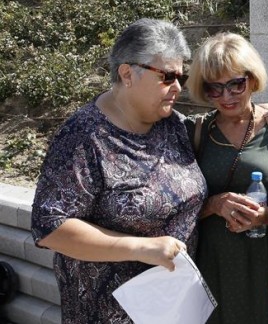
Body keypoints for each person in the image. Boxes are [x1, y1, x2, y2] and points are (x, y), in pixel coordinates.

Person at [30, 18, 207, 323]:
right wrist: (141, 248)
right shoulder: (84, 135)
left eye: (181, 75)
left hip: (173, 308)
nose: (178, 87)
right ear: (127, 74)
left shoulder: (171, 123)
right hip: (109, 313)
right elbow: (50, 226)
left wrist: (256, 113)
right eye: (167, 77)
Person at [185, 32, 268, 324]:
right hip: (213, 264)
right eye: (215, 89)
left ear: (252, 80)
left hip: (267, 260)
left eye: (236, 84)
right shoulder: (196, 132)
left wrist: (263, 216)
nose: (226, 97)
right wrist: (213, 205)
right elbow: (177, 208)